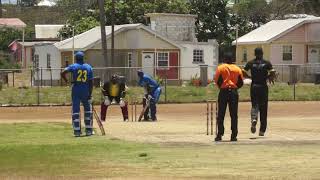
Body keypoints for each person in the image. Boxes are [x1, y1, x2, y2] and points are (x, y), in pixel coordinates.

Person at [243, 47, 277, 136]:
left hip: (254, 86)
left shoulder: (251, 63)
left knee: (254, 105)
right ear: (262, 53)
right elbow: (273, 72)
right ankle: (262, 130)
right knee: (264, 108)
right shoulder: (267, 63)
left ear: (255, 54)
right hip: (263, 86)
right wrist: (269, 77)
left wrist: (249, 77)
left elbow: (242, 71)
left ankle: (254, 119)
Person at [61, 51, 94, 137]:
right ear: (83, 58)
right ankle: (89, 130)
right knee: (88, 110)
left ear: (76, 58)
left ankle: (77, 131)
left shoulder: (74, 66)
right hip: (86, 90)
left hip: (76, 90)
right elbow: (91, 83)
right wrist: (90, 94)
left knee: (76, 111)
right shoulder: (88, 67)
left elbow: (63, 72)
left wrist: (67, 81)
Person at [214, 52, 244, 142]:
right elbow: (241, 82)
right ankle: (234, 135)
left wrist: (222, 87)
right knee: (234, 115)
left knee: (221, 114)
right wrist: (234, 87)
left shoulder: (221, 68)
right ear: (233, 60)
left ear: (224, 59)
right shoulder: (238, 69)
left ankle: (220, 134)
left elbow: (217, 80)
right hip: (234, 93)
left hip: (224, 91)